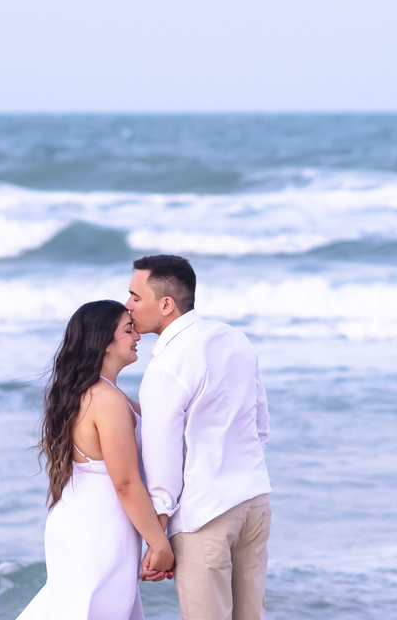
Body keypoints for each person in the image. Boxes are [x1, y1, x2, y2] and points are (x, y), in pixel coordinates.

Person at [127, 255, 272, 620]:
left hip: (204, 516)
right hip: (254, 503)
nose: (127, 306)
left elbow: (162, 468)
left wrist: (156, 543)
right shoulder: (235, 339)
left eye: (135, 297)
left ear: (166, 304)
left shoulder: (166, 366)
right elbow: (261, 427)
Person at [17, 300, 174, 620]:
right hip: (98, 530)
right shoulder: (106, 400)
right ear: (104, 342)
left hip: (82, 521)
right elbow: (126, 483)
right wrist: (159, 544)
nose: (138, 337)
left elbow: (163, 423)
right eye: (128, 330)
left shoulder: (90, 392)